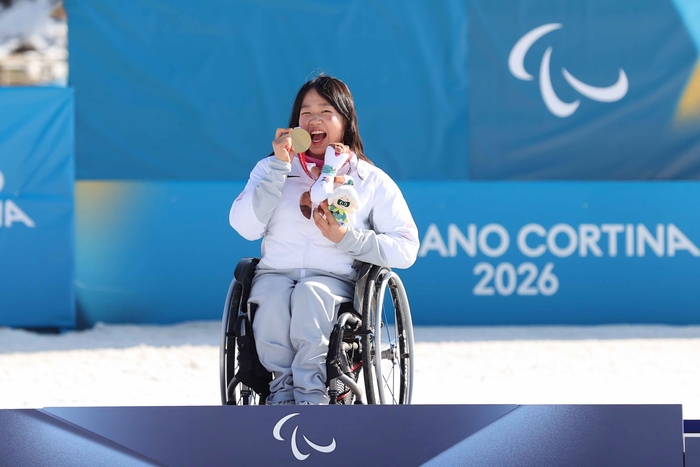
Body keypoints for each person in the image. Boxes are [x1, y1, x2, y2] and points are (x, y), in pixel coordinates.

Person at [229, 75, 419, 405]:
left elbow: (406, 247)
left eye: (325, 111)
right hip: (275, 273)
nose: (314, 120)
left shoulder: (369, 179)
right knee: (271, 298)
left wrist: (347, 238)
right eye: (305, 113)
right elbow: (244, 227)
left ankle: (311, 394)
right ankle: (281, 392)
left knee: (310, 293)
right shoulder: (270, 168)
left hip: (334, 281)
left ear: (346, 122)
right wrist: (278, 169)